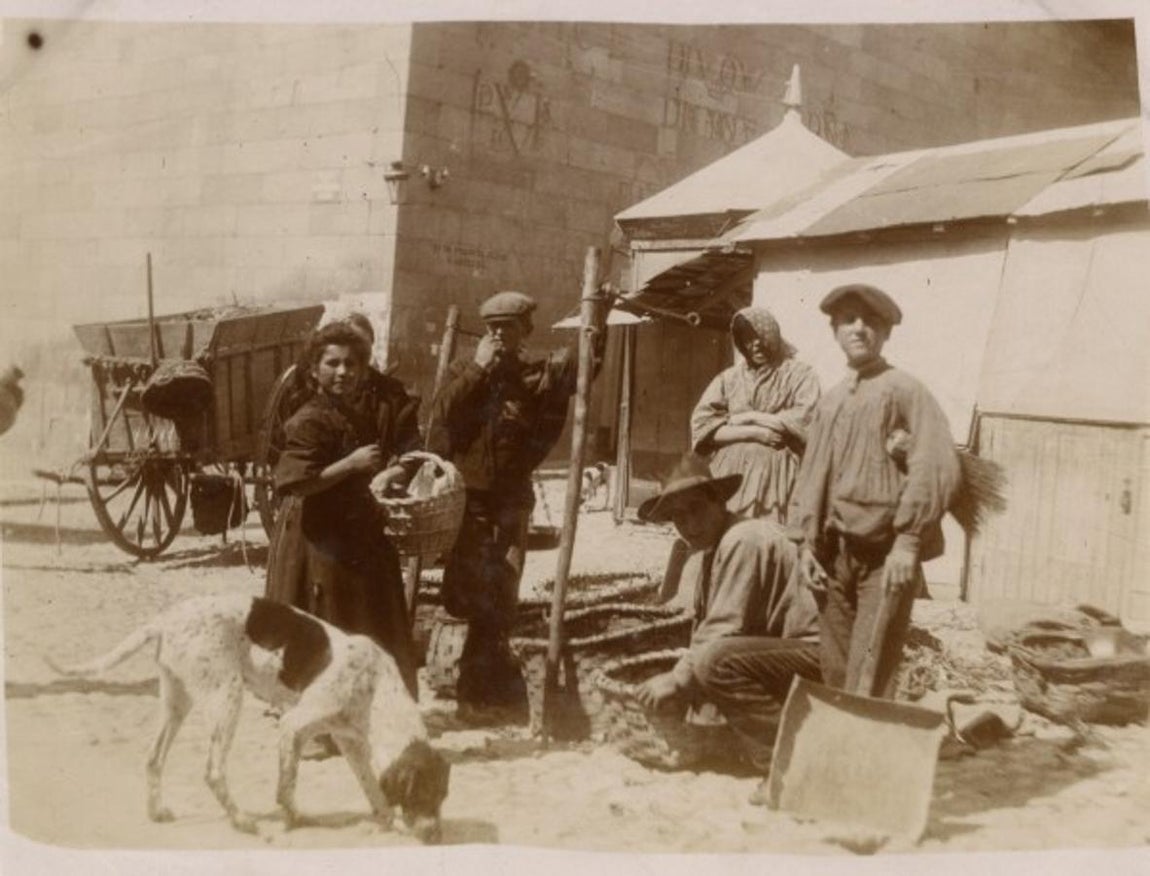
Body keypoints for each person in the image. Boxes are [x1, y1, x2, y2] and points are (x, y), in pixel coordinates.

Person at [427, 290, 603, 723]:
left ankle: (490, 688)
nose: (500, 335)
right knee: (467, 590)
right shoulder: (464, 370)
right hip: (467, 501)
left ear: (526, 329)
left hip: (511, 500)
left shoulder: (533, 373)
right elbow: (441, 414)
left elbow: (577, 371)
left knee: (503, 590)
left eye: (509, 327)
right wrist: (480, 367)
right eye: (493, 327)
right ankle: (471, 685)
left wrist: (597, 320)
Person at [788, 283, 961, 698]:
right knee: (835, 665)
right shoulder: (830, 401)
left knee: (871, 667)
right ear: (834, 331)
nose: (859, 329)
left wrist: (908, 541)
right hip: (833, 556)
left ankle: (867, 757)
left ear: (886, 333)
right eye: (848, 320)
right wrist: (806, 543)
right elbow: (812, 474)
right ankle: (841, 757)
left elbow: (935, 463)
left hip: (884, 556)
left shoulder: (904, 390)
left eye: (871, 321)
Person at [634, 453, 820, 773]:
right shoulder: (716, 545)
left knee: (714, 661)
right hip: (791, 653)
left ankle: (783, 757)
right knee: (708, 659)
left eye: (696, 509)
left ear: (718, 501)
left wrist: (678, 678)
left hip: (817, 656)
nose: (689, 525)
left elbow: (723, 627)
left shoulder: (742, 539)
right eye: (678, 517)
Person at [265, 321, 422, 701]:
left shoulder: (356, 415)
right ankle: (317, 719)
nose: (342, 372)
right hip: (320, 540)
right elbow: (296, 483)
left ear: (364, 369)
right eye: (332, 363)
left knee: (366, 624)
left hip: (357, 534)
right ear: (314, 369)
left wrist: (389, 475)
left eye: (351, 364)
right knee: (327, 627)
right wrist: (351, 465)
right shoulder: (307, 418)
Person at [691, 306, 820, 522]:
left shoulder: (800, 375)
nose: (756, 343)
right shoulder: (729, 379)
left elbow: (806, 420)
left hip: (778, 473)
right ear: (740, 342)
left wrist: (748, 418)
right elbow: (703, 428)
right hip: (729, 474)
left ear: (774, 334)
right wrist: (754, 433)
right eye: (748, 338)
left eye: (761, 335)